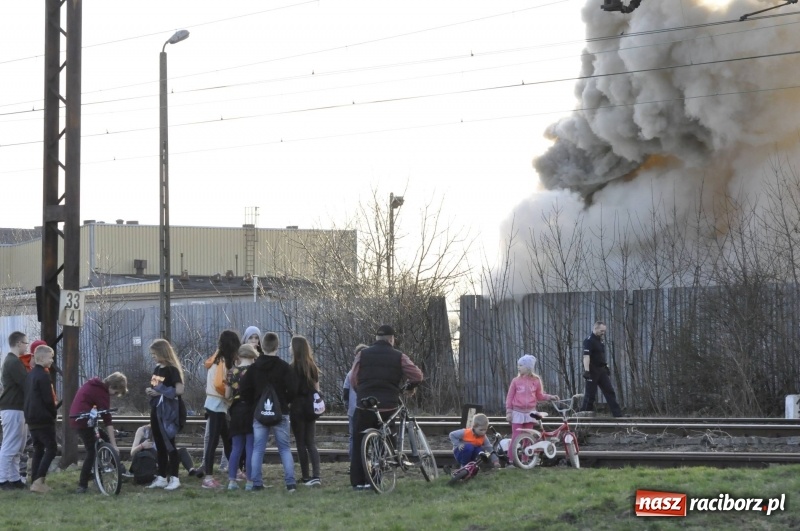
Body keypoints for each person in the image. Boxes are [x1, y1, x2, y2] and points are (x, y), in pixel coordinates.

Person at [349, 324, 423, 491]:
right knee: (386, 443)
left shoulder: (362, 354)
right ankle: (376, 478)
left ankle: (358, 482)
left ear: (376, 339)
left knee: (359, 443)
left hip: (365, 404)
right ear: (392, 339)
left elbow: (354, 378)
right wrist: (410, 386)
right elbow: (417, 375)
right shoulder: (399, 356)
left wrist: (360, 392)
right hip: (388, 405)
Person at [239, 331, 298, 492]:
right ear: (277, 347)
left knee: (258, 448)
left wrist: (254, 404)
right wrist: (286, 402)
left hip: (259, 413)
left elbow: (243, 389)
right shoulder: (284, 367)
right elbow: (293, 389)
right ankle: (290, 483)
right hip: (281, 412)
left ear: (262, 347)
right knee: (284, 448)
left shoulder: (254, 368)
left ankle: (256, 482)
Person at [69, 371, 128, 493]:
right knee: (92, 451)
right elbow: (108, 421)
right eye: (115, 392)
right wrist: (114, 446)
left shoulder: (95, 385)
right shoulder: (101, 392)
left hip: (84, 419)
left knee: (103, 440)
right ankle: (82, 484)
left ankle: (114, 469)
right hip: (82, 422)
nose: (114, 395)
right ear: (112, 386)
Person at [198, 330, 237, 489]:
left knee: (227, 441)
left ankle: (235, 471)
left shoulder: (216, 358)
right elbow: (220, 384)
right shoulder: (223, 362)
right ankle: (208, 478)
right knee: (214, 443)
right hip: (217, 405)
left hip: (216, 405)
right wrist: (230, 396)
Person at [145, 339, 185, 491]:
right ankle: (162, 476)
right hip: (156, 409)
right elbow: (154, 386)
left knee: (169, 444)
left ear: (163, 352)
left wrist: (161, 391)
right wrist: (150, 391)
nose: (153, 357)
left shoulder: (172, 370)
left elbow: (179, 390)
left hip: (168, 412)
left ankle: (175, 477)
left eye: (155, 354)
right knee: (159, 445)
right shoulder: (157, 369)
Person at [23, 345, 58, 493]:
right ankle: (39, 481)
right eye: (51, 357)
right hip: (43, 418)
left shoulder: (30, 374)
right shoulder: (44, 375)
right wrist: (53, 413)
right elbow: (48, 399)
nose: (52, 360)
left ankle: (34, 480)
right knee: (51, 448)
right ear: (42, 358)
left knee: (38, 449)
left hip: (31, 417)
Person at [289, 335, 322, 487]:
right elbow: (317, 389)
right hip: (310, 407)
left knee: (300, 443)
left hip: (296, 407)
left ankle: (305, 476)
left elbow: (289, 390)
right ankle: (317, 475)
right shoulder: (312, 367)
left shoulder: (291, 368)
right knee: (311, 442)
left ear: (294, 349)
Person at [0, 331, 30, 490]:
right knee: (10, 445)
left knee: (17, 447)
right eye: (25, 343)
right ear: (18, 343)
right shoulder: (13, 362)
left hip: (16, 408)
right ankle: (3, 479)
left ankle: (14, 478)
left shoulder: (12, 361)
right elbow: (26, 384)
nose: (27, 346)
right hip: (12, 408)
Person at [225, 343, 257, 490]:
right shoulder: (255, 371)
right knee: (250, 447)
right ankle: (250, 481)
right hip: (252, 409)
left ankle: (232, 481)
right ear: (252, 355)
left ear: (239, 355)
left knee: (236, 447)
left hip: (237, 410)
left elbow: (227, 395)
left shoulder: (231, 372)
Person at [505, 354, 558, 443]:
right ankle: (512, 457)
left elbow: (540, 395)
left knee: (528, 438)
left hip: (530, 413)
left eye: (521, 365)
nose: (518, 367)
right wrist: (509, 412)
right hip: (517, 412)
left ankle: (526, 457)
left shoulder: (536, 381)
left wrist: (550, 397)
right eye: (518, 365)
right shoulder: (515, 381)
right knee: (516, 437)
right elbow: (509, 397)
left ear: (528, 367)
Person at [579, 321, 624, 417]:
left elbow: (600, 356)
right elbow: (586, 356)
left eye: (604, 331)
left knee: (609, 391)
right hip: (592, 370)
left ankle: (617, 414)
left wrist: (606, 366)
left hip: (601, 370)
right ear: (595, 329)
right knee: (590, 394)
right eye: (601, 330)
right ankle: (584, 415)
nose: (603, 333)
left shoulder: (600, 341)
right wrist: (587, 370)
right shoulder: (589, 341)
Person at [129, 424, 195, 485]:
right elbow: (132, 453)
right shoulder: (142, 430)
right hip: (149, 465)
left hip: (161, 464)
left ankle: (191, 470)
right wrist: (142, 446)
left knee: (182, 451)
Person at [342, 344, 367, 463]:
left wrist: (347, 406)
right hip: (368, 409)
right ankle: (367, 461)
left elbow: (345, 392)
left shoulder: (350, 373)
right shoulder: (370, 372)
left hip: (353, 409)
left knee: (353, 437)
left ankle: (353, 461)